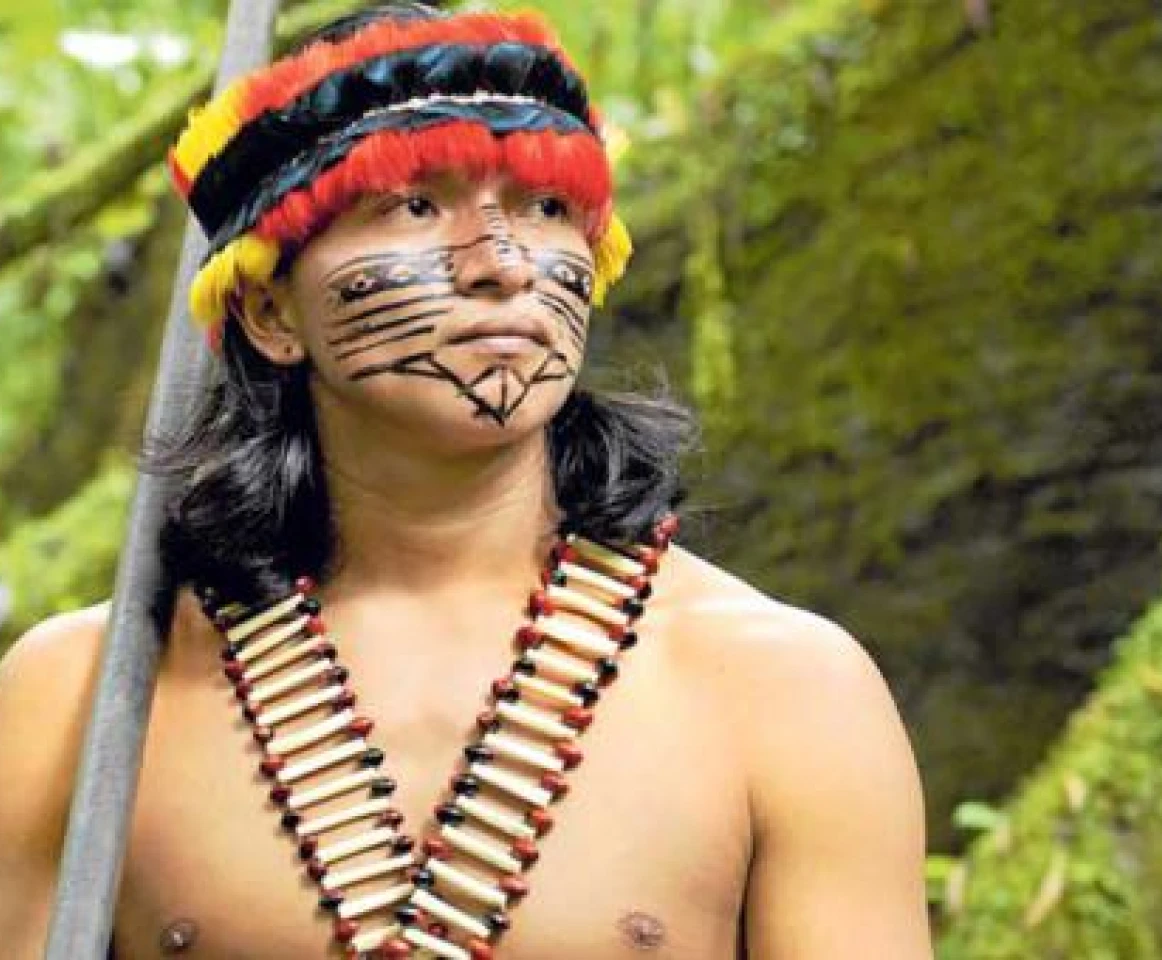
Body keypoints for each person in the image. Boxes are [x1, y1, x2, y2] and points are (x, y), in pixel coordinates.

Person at [0, 3, 932, 957]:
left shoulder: (782, 689)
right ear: (271, 312)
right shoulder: (84, 696)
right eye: (412, 205)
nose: (501, 263)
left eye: (545, 207)